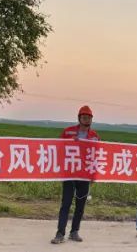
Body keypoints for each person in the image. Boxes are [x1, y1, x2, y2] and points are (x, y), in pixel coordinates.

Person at [52, 105, 99, 245]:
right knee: (65, 204)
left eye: (89, 117)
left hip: (84, 175)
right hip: (69, 174)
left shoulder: (95, 136)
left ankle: (74, 232)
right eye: (84, 117)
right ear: (79, 118)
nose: (87, 120)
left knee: (80, 205)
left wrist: (93, 175)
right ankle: (60, 233)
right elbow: (59, 149)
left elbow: (96, 156)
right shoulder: (68, 132)